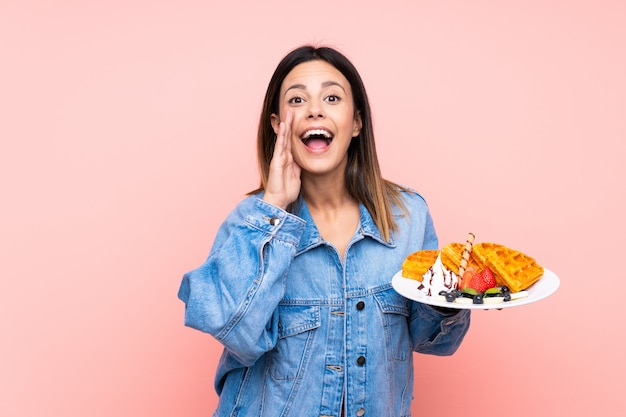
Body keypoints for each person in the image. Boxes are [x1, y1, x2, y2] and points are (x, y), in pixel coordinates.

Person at [178, 45, 471, 417]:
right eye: (297, 99)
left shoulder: (407, 215)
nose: (315, 109)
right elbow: (238, 335)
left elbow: (434, 341)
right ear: (276, 124)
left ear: (357, 123)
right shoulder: (252, 222)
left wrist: (452, 296)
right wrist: (275, 209)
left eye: (332, 97)